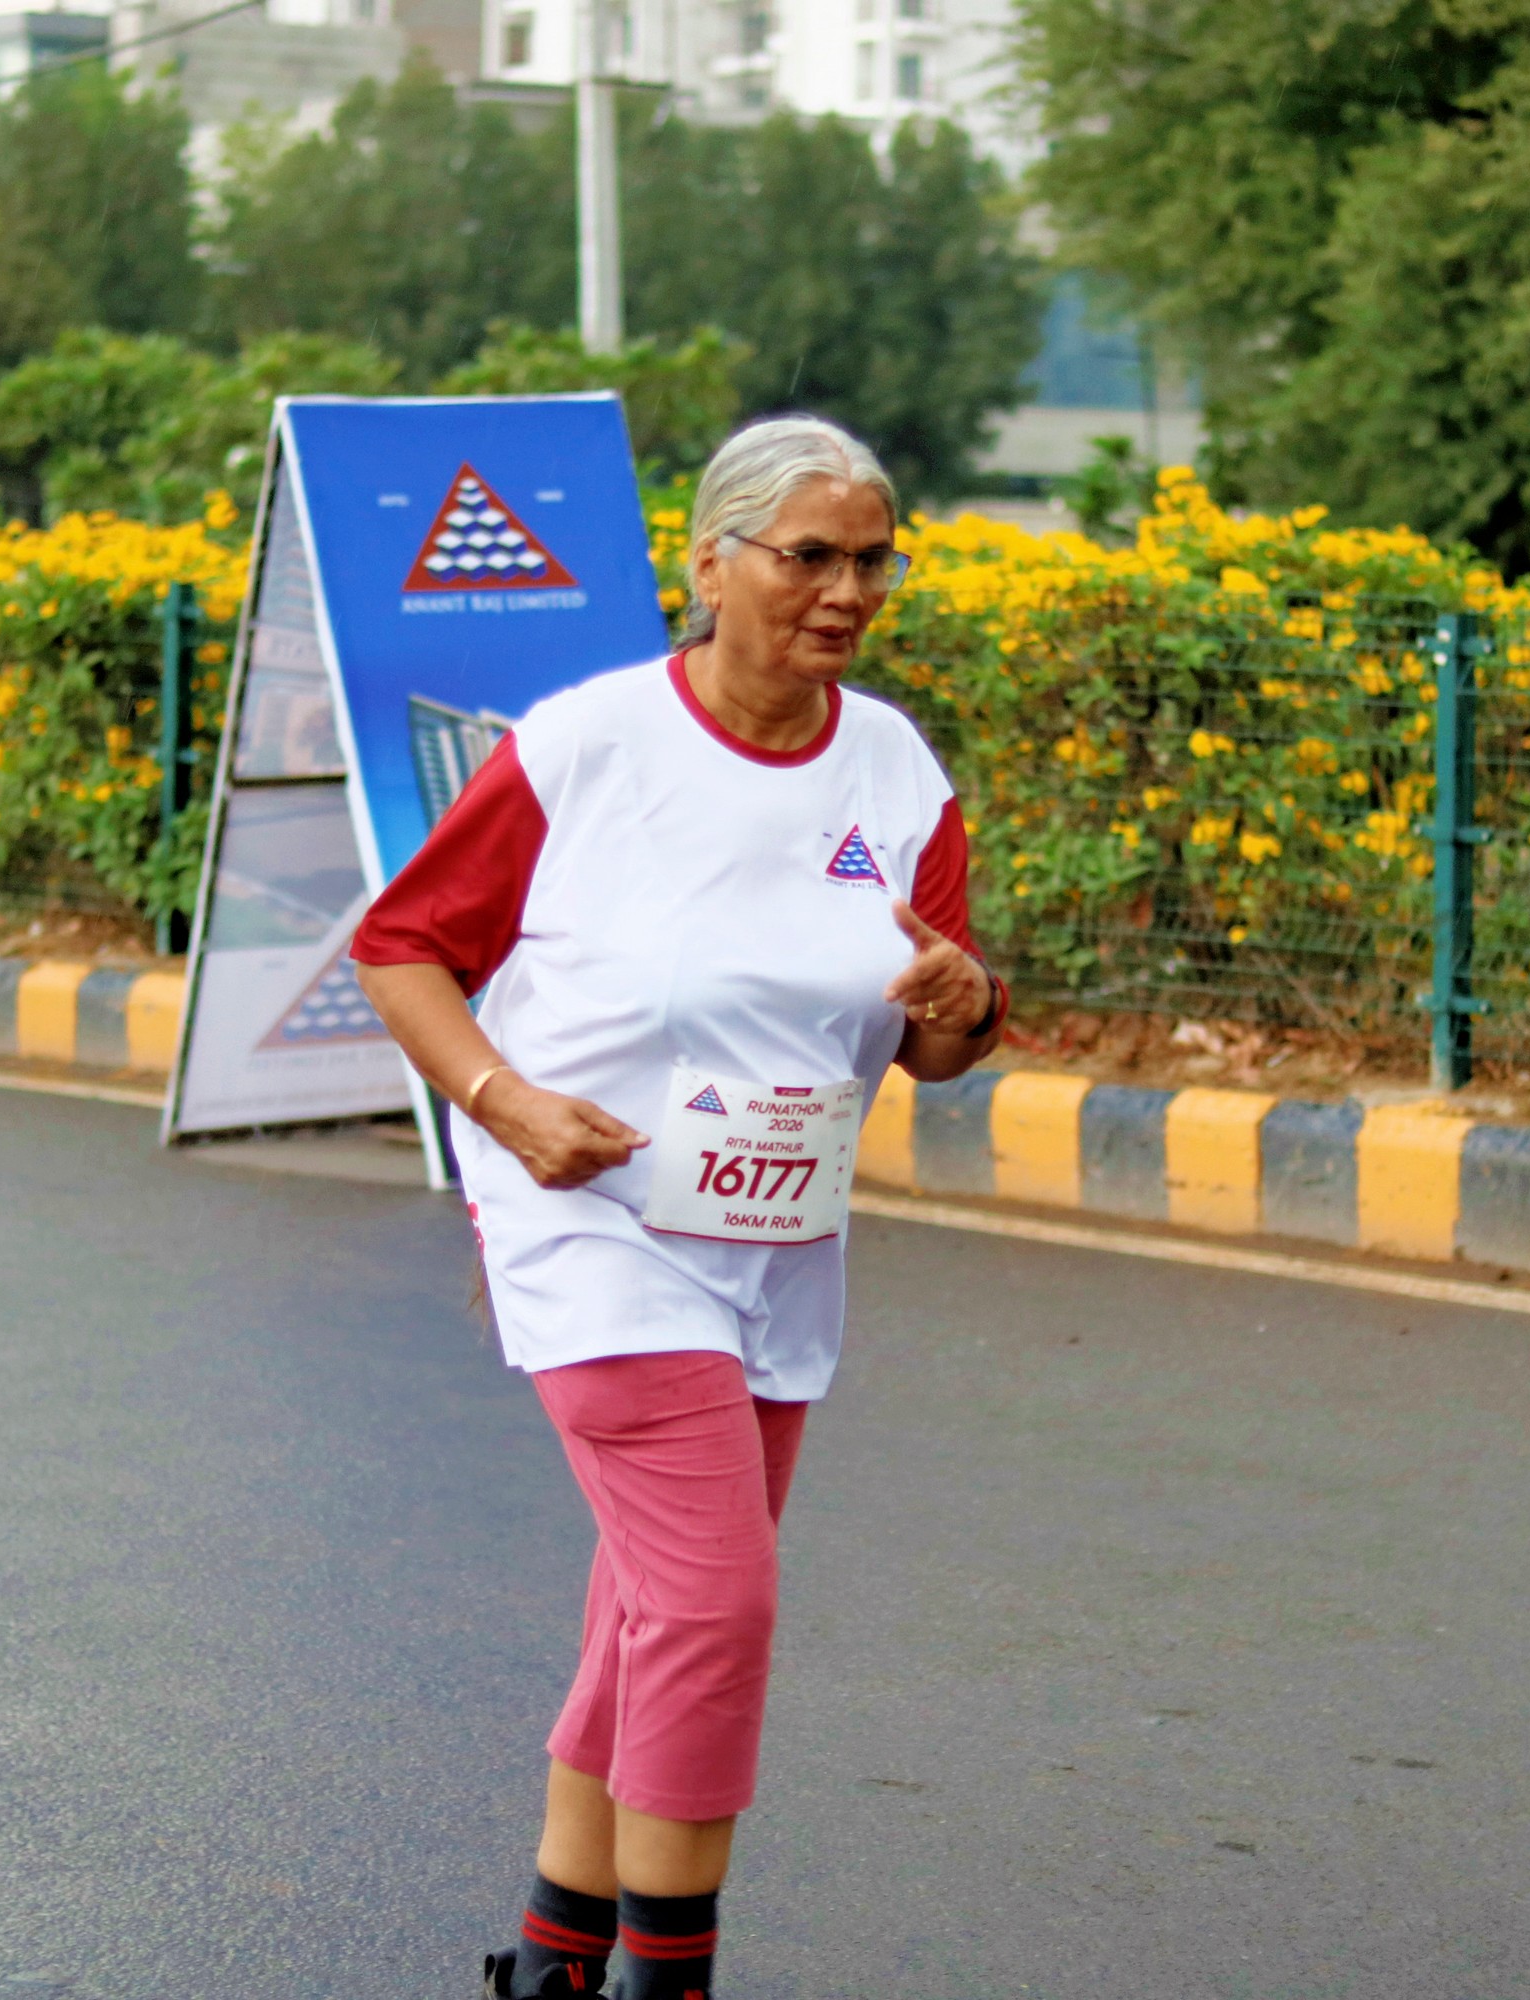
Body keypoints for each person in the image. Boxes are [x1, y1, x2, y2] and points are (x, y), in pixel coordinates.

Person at [351, 414, 1006, 1999]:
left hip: (777, 1244)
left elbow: (941, 1037)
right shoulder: (589, 744)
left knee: (657, 1603)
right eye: (810, 557)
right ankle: (669, 1979)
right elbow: (401, 945)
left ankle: (555, 1959)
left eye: (873, 561)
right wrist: (506, 1105)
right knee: (715, 1603)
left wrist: (965, 1002)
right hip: (593, 1222)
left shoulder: (895, 767)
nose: (846, 592)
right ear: (710, 563)